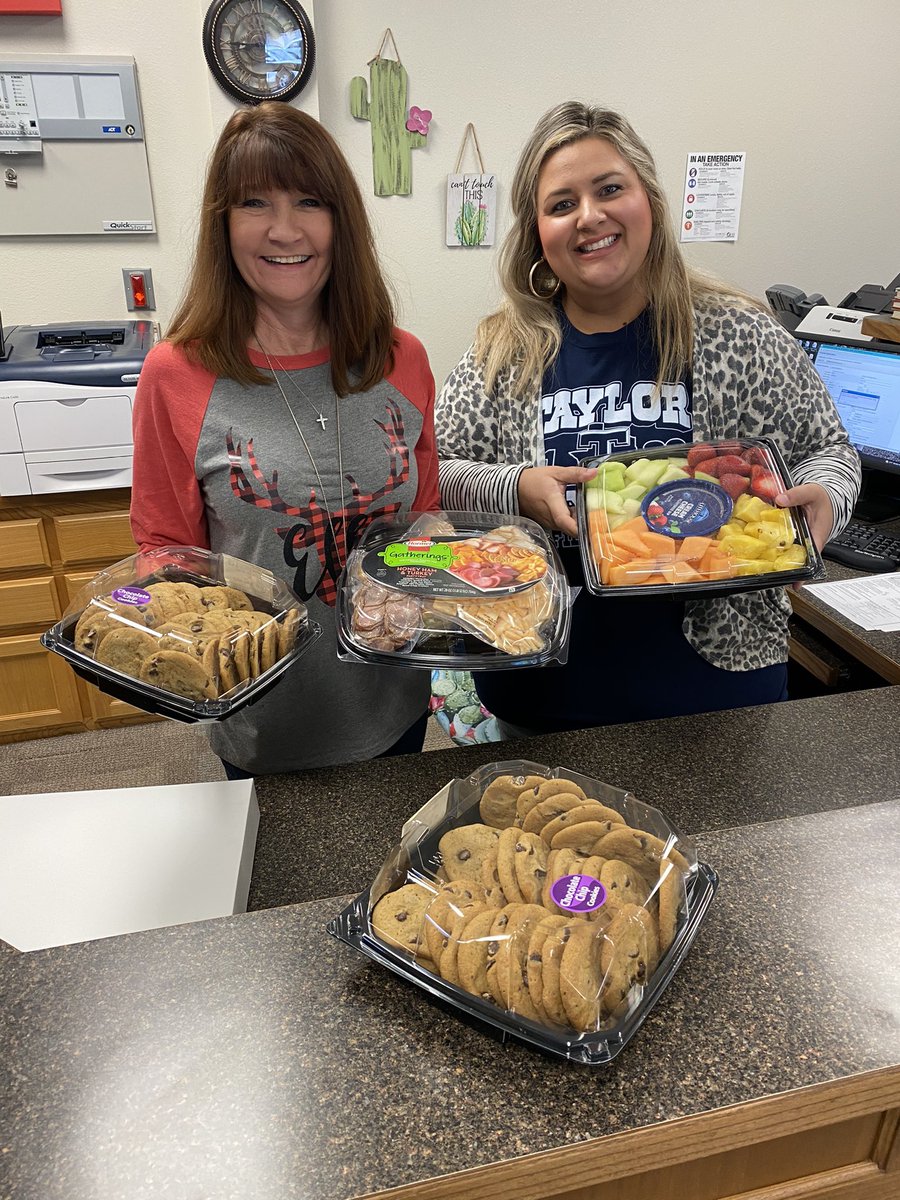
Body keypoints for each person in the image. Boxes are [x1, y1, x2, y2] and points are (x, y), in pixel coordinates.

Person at [436, 102, 860, 737]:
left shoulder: (740, 334)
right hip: (544, 703)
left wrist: (827, 494)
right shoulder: (500, 354)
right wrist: (516, 487)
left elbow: (829, 449)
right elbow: (432, 478)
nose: (590, 216)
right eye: (561, 203)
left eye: (610, 189)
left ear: (650, 203)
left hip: (723, 699)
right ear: (538, 234)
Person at [130, 103, 439, 775]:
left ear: (342, 221)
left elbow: (424, 530)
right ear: (224, 223)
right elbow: (163, 550)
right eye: (254, 203)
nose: (284, 229)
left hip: (397, 711)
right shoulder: (175, 374)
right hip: (262, 726)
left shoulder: (404, 361)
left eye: (309, 201)